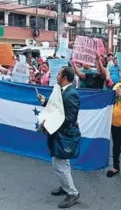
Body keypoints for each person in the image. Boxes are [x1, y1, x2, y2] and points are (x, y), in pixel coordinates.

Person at [37, 67, 80, 209]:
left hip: (64, 135)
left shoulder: (72, 94)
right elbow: (57, 108)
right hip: (59, 134)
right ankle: (65, 186)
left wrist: (48, 121)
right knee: (63, 162)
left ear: (65, 77)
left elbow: (70, 118)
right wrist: (45, 102)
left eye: (59, 74)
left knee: (59, 164)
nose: (57, 76)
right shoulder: (62, 91)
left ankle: (72, 192)